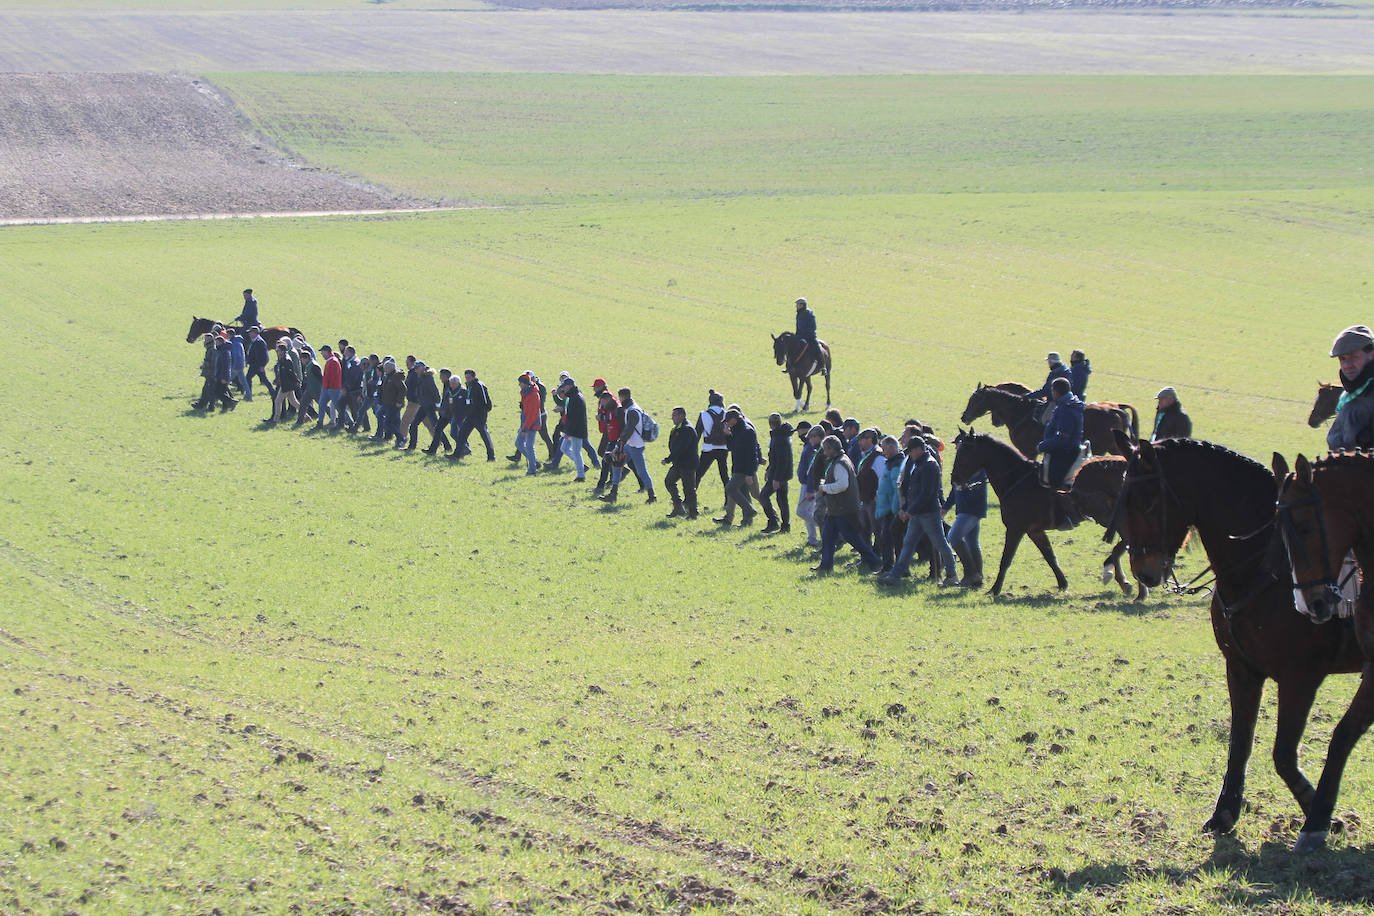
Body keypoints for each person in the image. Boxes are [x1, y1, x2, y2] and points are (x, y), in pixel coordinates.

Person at [879, 436, 958, 586]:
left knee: (940, 543)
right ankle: (897, 574)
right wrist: (905, 508)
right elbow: (913, 490)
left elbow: (926, 493)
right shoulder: (920, 463)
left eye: (911, 451)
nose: (910, 454)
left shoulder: (929, 465)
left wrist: (909, 511)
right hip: (917, 513)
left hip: (929, 513)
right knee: (909, 543)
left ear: (918, 450)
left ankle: (952, 575)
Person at [812, 435, 883, 574]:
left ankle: (874, 561)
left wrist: (824, 488)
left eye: (826, 449)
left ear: (833, 449)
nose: (824, 453)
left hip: (843, 509)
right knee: (827, 536)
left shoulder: (839, 463)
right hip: (836, 509)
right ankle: (825, 565)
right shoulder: (840, 460)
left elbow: (842, 485)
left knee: (852, 538)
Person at [604, 388, 656, 503]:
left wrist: (620, 445)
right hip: (632, 444)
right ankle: (613, 493)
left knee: (641, 471)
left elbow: (628, 430)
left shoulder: (632, 410)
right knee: (616, 464)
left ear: (623, 397)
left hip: (634, 446)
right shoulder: (633, 407)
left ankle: (652, 496)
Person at [1328, 325, 1374, 450]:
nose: (1347, 365)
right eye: (1342, 359)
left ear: (1372, 355)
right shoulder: (1348, 397)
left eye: (1354, 357)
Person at [713, 408, 761, 526]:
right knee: (742, 492)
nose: (726, 424)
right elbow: (731, 448)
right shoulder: (736, 430)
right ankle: (743, 521)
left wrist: (750, 473)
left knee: (731, 489)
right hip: (738, 466)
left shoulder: (747, 431)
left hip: (744, 468)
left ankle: (750, 511)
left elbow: (751, 454)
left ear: (734, 420)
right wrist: (728, 435)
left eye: (727, 421)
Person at [1036, 377, 1084, 489]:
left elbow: (1063, 437)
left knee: (1053, 483)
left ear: (1056, 392)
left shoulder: (1066, 409)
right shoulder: (1070, 404)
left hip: (1064, 452)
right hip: (1068, 449)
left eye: (1052, 390)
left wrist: (1043, 446)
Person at [946, 468, 987, 589]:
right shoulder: (962, 467)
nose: (957, 448)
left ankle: (972, 574)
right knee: (972, 542)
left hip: (971, 510)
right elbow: (955, 489)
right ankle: (977, 578)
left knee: (953, 537)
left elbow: (976, 492)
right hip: (963, 510)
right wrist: (946, 506)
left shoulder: (978, 471)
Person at [663, 406, 700, 519]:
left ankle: (693, 513)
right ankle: (678, 507)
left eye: (674, 415)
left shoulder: (686, 429)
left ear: (682, 416)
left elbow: (681, 448)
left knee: (688, 489)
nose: (672, 418)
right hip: (678, 463)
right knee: (669, 481)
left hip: (687, 464)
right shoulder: (678, 428)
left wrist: (668, 459)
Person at [874, 435, 903, 572]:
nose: (882, 450)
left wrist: (894, 509)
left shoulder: (896, 465)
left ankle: (892, 567)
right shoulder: (890, 462)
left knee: (889, 539)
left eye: (884, 448)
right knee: (886, 538)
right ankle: (889, 566)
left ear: (892, 448)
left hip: (892, 510)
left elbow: (896, 490)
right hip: (887, 509)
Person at [452, 369, 495, 461]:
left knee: (485, 436)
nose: (467, 379)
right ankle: (456, 455)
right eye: (466, 377)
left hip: (479, 416)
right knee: (461, 434)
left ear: (473, 377)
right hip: (470, 416)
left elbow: (486, 402)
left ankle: (491, 457)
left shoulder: (480, 386)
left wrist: (482, 412)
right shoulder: (469, 386)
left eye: (468, 377)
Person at [694, 389, 730, 499]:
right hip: (723, 448)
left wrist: (693, 451)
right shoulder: (726, 414)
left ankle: (690, 497)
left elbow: (697, 434)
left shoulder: (704, 414)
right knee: (724, 475)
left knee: (698, 474)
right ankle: (728, 500)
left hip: (708, 449)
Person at [761, 413, 793, 534]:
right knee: (782, 500)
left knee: (763, 496)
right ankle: (785, 526)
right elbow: (776, 458)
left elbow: (780, 460)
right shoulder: (782, 435)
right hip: (781, 474)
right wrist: (769, 470)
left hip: (778, 475)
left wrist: (776, 479)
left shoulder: (778, 438)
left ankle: (773, 521)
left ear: (770, 424)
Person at [795, 425, 825, 548]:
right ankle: (812, 539)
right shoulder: (811, 447)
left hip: (809, 486)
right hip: (807, 484)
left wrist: (809, 490)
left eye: (811, 438)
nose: (809, 440)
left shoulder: (815, 450)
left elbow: (812, 471)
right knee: (809, 511)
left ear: (817, 437)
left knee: (801, 511)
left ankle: (825, 525)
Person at [555, 377, 589, 481]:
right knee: (564, 448)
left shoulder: (575, 398)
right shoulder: (574, 396)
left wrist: (569, 432)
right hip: (574, 429)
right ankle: (582, 466)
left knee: (576, 452)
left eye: (564, 387)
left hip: (576, 430)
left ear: (569, 386)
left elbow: (574, 418)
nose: (563, 389)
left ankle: (581, 475)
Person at [592, 390, 622, 494]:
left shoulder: (616, 409)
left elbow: (613, 421)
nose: (601, 404)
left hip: (618, 441)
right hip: (612, 440)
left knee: (634, 463)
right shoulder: (609, 408)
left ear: (608, 400)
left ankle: (603, 487)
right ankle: (602, 487)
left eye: (602, 402)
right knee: (607, 462)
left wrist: (601, 417)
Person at [515, 373, 541, 475]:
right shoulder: (526, 392)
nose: (519, 385)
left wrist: (525, 428)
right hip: (526, 422)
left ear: (525, 383)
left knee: (529, 446)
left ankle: (532, 469)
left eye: (520, 383)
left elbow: (532, 414)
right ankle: (534, 462)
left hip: (531, 424)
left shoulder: (533, 394)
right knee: (519, 444)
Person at [377, 358, 406, 445]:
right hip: (386, 403)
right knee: (379, 414)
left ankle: (401, 438)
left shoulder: (395, 377)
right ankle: (391, 436)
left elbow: (403, 389)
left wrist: (399, 401)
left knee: (388, 423)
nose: (384, 370)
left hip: (394, 404)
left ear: (390, 368)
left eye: (386, 368)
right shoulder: (387, 376)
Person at [269, 340, 299, 424]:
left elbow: (292, 373)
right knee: (294, 402)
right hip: (285, 384)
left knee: (278, 401)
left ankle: (275, 419)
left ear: (282, 351)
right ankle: (306, 416)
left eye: (278, 350)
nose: (277, 352)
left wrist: (296, 381)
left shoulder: (287, 360)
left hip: (286, 385)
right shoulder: (282, 359)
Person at [244, 326, 273, 402]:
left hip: (256, 365)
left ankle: (248, 396)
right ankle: (273, 392)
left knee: (248, 378)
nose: (249, 334)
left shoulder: (259, 342)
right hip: (255, 364)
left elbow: (264, 355)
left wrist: (262, 365)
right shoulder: (254, 341)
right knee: (264, 379)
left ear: (255, 333)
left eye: (250, 332)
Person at [296, 346, 322, 427]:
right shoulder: (309, 365)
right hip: (309, 389)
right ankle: (299, 421)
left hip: (316, 390)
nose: (301, 361)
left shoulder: (314, 366)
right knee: (303, 404)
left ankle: (334, 418)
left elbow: (321, 378)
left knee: (322, 405)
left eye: (302, 359)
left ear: (306, 358)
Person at [789, 297, 817, 372]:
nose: (796, 306)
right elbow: (798, 327)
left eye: (797, 304)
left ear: (802, 305)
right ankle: (789, 366)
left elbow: (813, 327)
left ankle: (823, 366)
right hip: (800, 336)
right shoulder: (798, 314)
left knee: (817, 348)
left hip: (810, 337)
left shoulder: (810, 314)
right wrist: (796, 336)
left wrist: (805, 335)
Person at [317, 345, 342, 427]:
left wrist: (328, 386)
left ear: (327, 352)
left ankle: (348, 421)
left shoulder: (333, 361)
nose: (322, 354)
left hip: (333, 388)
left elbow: (333, 377)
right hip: (327, 388)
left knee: (338, 405)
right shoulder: (330, 360)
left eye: (322, 352)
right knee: (321, 404)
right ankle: (320, 422)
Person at [190, 333, 217, 409]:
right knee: (206, 389)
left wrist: (205, 365)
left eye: (206, 339)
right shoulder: (210, 348)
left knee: (209, 390)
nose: (204, 341)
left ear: (210, 340)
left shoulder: (212, 349)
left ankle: (210, 406)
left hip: (211, 373)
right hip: (209, 373)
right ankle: (202, 404)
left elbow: (213, 362)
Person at [211, 336, 237, 411]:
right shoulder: (221, 350)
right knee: (223, 391)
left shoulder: (224, 352)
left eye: (217, 342)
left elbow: (226, 366)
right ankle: (225, 407)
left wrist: (224, 377)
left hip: (222, 376)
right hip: (219, 375)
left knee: (218, 392)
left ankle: (231, 402)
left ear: (221, 342)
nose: (216, 344)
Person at [228, 330, 248, 397]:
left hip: (236, 366)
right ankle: (248, 395)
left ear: (230, 335)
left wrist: (235, 367)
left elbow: (237, 356)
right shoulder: (237, 342)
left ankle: (219, 395)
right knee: (244, 382)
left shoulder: (235, 344)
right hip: (240, 365)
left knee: (226, 381)